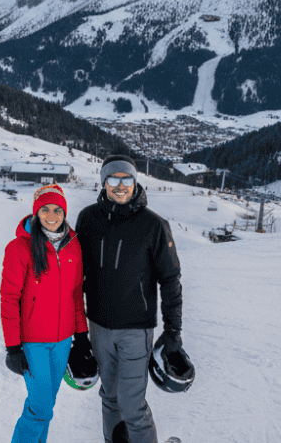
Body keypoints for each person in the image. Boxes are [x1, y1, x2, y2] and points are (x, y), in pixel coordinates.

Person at [76, 155, 183, 443]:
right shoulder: (88, 219)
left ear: (135, 182)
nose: (120, 186)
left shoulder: (153, 225)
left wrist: (173, 332)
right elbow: (74, 276)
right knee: (109, 397)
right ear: (103, 183)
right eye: (113, 179)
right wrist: (76, 332)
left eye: (127, 179)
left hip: (136, 329)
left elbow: (170, 280)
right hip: (98, 327)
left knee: (132, 405)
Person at [0, 184, 89, 443]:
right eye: (45, 209)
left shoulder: (73, 246)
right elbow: (9, 299)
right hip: (32, 342)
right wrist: (12, 347)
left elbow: (75, 294)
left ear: (65, 213)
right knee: (40, 406)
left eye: (58, 210)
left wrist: (81, 336)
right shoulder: (19, 248)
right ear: (35, 213)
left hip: (62, 341)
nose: (52, 216)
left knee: (46, 404)